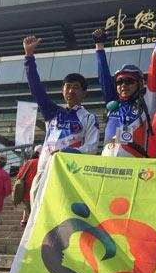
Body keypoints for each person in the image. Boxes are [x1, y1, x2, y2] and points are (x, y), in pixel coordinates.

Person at [22, 36, 100, 203]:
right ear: (62, 90)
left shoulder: (89, 117)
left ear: (84, 93)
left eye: (76, 88)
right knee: (37, 216)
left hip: (69, 175)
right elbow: (36, 88)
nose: (71, 91)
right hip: (43, 172)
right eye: (68, 87)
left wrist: (67, 153)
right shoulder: (52, 112)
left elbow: (92, 148)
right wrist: (29, 56)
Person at [93, 27, 156, 157]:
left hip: (135, 165)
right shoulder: (113, 104)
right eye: (119, 82)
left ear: (139, 84)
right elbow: (104, 78)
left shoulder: (147, 104)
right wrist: (99, 46)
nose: (123, 85)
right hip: (106, 164)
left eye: (129, 81)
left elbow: (155, 71)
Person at [16, 145, 41, 227]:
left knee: (27, 205)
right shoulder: (44, 163)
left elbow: (19, 176)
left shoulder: (29, 162)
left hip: (26, 188)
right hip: (38, 188)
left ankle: (24, 220)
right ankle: (31, 223)